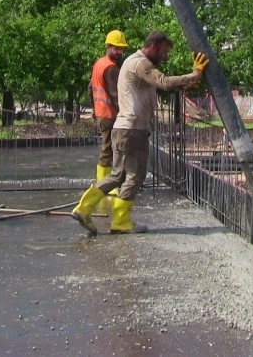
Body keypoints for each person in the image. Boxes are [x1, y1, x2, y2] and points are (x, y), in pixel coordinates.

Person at [71, 31, 209, 235]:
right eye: (163, 52)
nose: (165, 56)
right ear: (153, 46)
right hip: (133, 130)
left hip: (122, 128)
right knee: (135, 176)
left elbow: (160, 87)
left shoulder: (133, 63)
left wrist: (185, 82)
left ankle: (83, 208)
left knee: (117, 175)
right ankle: (120, 220)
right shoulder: (141, 63)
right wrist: (195, 74)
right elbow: (164, 82)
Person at [89, 30, 129, 208]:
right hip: (109, 114)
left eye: (121, 48)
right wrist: (126, 112)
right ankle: (104, 186)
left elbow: (90, 89)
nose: (120, 52)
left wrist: (94, 110)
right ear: (108, 46)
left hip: (101, 113)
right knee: (109, 150)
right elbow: (116, 94)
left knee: (107, 149)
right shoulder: (111, 68)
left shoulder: (99, 63)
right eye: (117, 48)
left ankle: (103, 184)